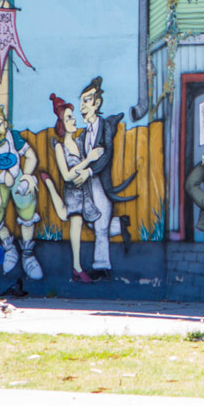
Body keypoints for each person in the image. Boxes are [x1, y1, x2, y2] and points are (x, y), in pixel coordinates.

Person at [40, 93, 103, 283]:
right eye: (69, 117)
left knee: (67, 215)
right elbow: (67, 175)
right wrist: (88, 160)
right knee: (75, 221)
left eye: (72, 117)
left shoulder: (79, 142)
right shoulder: (61, 147)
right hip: (72, 192)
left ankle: (49, 184)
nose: (74, 120)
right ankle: (77, 267)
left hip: (85, 191)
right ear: (61, 124)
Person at [77, 77, 134, 279]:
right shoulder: (84, 135)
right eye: (81, 101)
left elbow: (107, 155)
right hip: (87, 185)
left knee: (100, 227)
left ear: (97, 103)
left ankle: (101, 266)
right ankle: (120, 225)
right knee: (92, 222)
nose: (82, 106)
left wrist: (90, 171)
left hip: (100, 182)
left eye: (87, 100)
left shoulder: (105, 127)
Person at [0, 105, 42, 280]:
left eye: (0, 124)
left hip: (16, 175)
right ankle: (8, 245)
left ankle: (27, 252)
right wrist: (1, 176)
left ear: (6, 124)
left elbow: (31, 156)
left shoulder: (14, 138)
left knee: (26, 205)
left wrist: (26, 176)